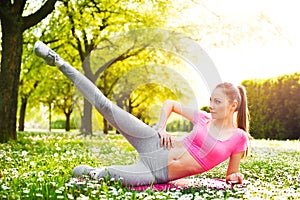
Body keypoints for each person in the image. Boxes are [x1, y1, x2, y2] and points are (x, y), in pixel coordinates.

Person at [34, 41, 251, 186]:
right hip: (153, 142)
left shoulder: (239, 138)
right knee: (107, 107)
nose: (211, 105)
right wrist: (162, 128)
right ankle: (58, 61)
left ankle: (93, 171)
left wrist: (235, 177)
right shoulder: (203, 118)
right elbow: (170, 104)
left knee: (106, 176)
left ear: (233, 106)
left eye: (217, 102)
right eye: (211, 100)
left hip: (155, 173)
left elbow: (230, 175)